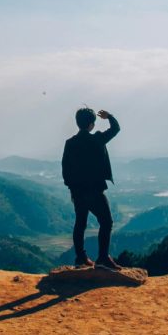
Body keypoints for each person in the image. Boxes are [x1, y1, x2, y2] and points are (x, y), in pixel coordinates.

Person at [61, 107, 121, 270]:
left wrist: (72, 188)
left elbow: (65, 169)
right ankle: (102, 258)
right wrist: (110, 116)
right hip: (95, 190)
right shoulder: (97, 139)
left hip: (78, 191)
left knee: (80, 223)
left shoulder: (70, 143)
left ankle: (81, 258)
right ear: (91, 124)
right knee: (106, 222)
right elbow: (116, 129)